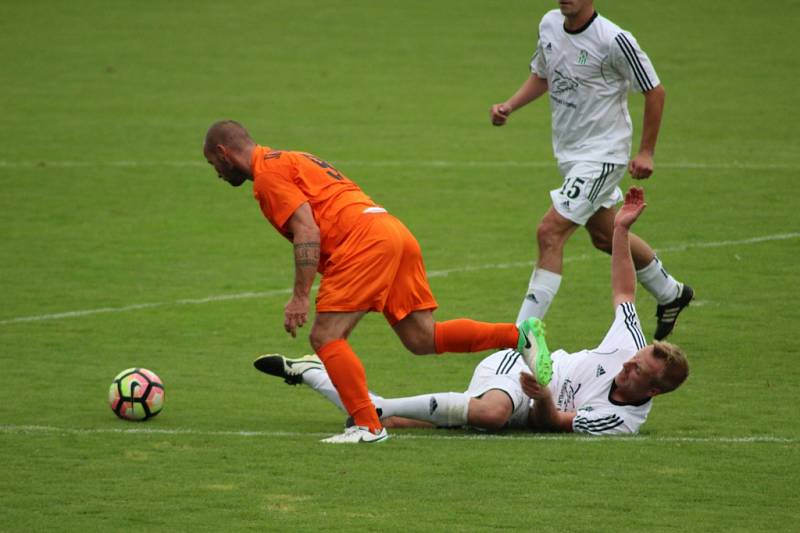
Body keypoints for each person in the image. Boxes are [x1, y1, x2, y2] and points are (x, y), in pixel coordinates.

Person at [203, 120, 548, 444]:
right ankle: (518, 335)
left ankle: (368, 425)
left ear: (224, 152)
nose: (216, 174)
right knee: (422, 337)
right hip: (390, 229)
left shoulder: (268, 175)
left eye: (212, 164)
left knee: (325, 336)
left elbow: (306, 230)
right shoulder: (290, 157)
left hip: (362, 242)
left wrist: (299, 296)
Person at [255, 187, 689, 435]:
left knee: (410, 419)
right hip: (517, 369)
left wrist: (543, 396)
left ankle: (315, 374)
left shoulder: (622, 421)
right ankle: (521, 341)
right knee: (491, 413)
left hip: (537, 400)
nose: (628, 363)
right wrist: (620, 228)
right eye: (635, 357)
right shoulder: (631, 345)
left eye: (636, 371)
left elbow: (553, 423)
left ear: (651, 391)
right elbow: (624, 289)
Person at [489, 0, 693, 340]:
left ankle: (519, 337)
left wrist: (646, 152)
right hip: (571, 155)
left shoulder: (614, 40)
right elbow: (543, 75)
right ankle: (671, 293)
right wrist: (510, 105)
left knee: (549, 232)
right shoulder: (550, 24)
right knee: (605, 234)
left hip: (603, 156)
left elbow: (655, 92)